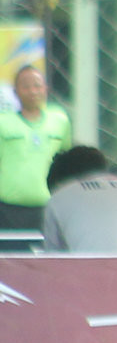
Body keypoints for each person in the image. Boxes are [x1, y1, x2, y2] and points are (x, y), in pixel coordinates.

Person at [0, 64, 72, 231]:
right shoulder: (3, 122)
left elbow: (65, 160)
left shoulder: (60, 121)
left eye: (37, 86)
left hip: (50, 207)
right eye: (26, 86)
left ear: (46, 89)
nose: (32, 91)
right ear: (15, 91)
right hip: (8, 209)